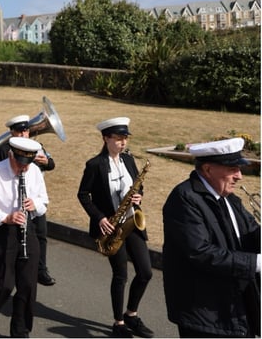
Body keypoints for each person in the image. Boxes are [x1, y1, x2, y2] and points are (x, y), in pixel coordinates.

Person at [163, 137, 260, 338]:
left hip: (230, 308)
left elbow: (250, 235)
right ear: (208, 170)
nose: (239, 176)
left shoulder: (229, 199)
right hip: (204, 315)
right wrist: (256, 263)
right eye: (233, 169)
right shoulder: (184, 198)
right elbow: (200, 252)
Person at [77, 117, 153, 339]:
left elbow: (139, 186)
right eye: (118, 138)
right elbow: (83, 195)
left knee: (146, 272)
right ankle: (118, 322)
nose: (123, 143)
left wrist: (139, 196)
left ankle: (131, 314)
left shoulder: (129, 161)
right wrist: (99, 218)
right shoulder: (94, 165)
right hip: (110, 227)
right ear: (105, 138)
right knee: (120, 274)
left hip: (131, 222)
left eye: (125, 138)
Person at [0, 137, 49, 338]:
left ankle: (20, 330)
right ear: (11, 155)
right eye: (19, 163)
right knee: (3, 284)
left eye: (27, 163)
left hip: (27, 228)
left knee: (28, 284)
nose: (23, 168)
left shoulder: (33, 171)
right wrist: (5, 217)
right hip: (1, 232)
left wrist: (35, 205)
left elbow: (44, 200)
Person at [0, 115, 57, 286]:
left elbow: (51, 164)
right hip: (14, 199)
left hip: (34, 199)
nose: (23, 134)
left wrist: (46, 161)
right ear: (12, 132)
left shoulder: (37, 146)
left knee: (41, 234)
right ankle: (13, 267)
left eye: (26, 130)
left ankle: (41, 270)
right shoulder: (4, 149)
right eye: (19, 131)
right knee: (16, 237)